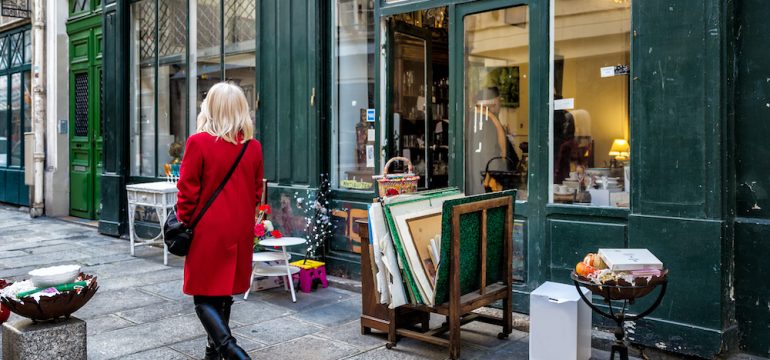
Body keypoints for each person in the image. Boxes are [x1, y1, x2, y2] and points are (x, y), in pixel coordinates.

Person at [176, 82, 263, 360]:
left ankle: (231, 350)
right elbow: (256, 192)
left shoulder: (198, 142)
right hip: (239, 228)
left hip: (208, 229)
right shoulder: (253, 147)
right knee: (223, 293)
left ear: (210, 108)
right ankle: (212, 354)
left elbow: (187, 193)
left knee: (203, 297)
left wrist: (183, 222)